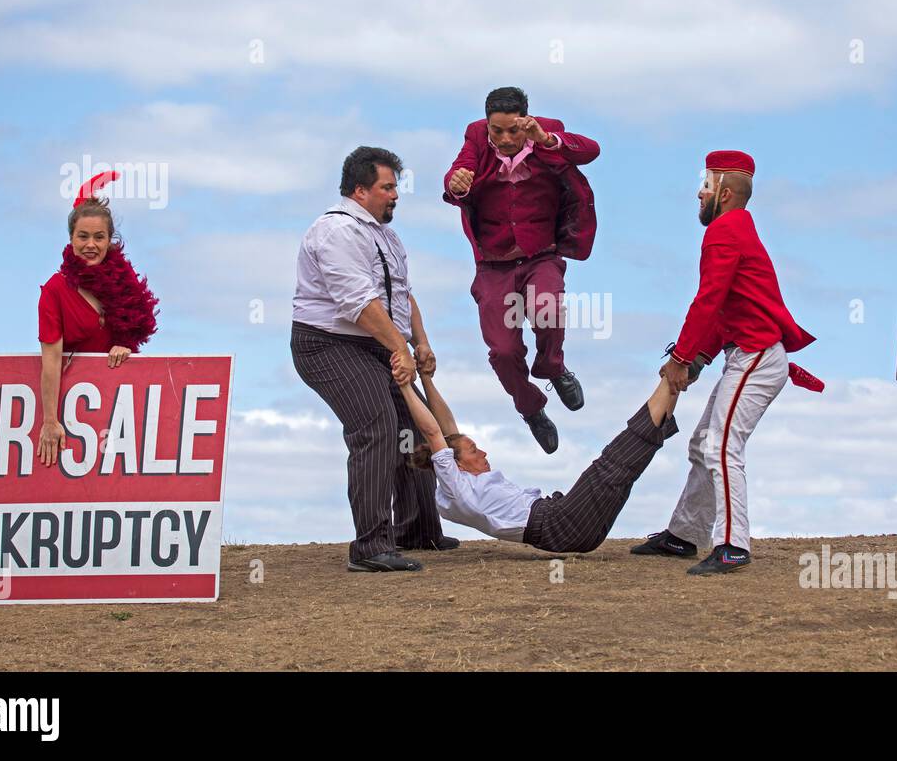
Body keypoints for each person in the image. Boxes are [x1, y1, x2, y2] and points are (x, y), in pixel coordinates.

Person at [631, 150, 823, 576]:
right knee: (705, 444)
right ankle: (684, 534)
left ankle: (733, 545)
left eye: (705, 185)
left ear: (725, 191)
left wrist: (682, 358)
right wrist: (695, 358)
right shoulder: (737, 227)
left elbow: (708, 302)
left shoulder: (724, 231)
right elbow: (724, 311)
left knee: (720, 445)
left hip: (755, 357)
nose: (698, 194)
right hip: (749, 355)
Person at [291, 146, 456, 573]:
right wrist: (398, 348)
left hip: (377, 343)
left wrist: (420, 343)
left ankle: (418, 531)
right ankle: (370, 546)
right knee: (377, 426)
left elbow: (401, 294)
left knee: (417, 429)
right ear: (361, 190)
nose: (395, 195)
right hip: (328, 345)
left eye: (396, 186)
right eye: (388, 187)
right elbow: (358, 304)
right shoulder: (335, 232)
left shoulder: (386, 234)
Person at [442, 86, 600, 454]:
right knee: (503, 351)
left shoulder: (547, 131)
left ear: (525, 120)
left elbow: (591, 150)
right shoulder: (477, 136)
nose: (506, 138)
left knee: (547, 307)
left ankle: (554, 368)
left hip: (539, 256)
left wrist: (545, 139)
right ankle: (531, 408)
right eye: (497, 131)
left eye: (513, 130)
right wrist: (456, 182)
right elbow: (458, 173)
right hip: (494, 265)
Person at [397, 354, 681, 554]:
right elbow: (435, 434)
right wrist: (405, 385)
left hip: (562, 523)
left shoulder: (462, 480)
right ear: (456, 465)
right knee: (611, 463)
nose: (483, 451)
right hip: (557, 524)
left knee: (625, 470)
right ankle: (674, 373)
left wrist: (425, 378)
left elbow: (447, 428)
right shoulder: (455, 487)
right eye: (473, 450)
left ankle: (676, 384)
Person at [37, 171, 160, 467]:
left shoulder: (124, 285)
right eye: (83, 236)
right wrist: (50, 421)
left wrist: (124, 345)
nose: (90, 244)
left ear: (110, 240)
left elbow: (134, 328)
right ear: (70, 239)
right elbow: (51, 360)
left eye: (99, 237)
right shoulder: (55, 290)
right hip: (75, 410)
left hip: (118, 408)